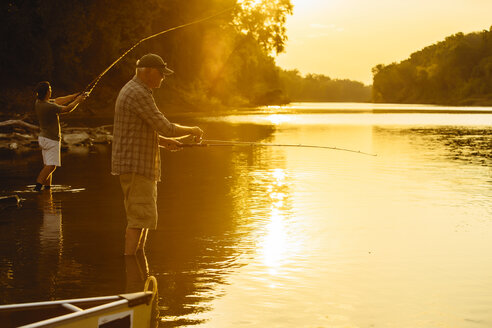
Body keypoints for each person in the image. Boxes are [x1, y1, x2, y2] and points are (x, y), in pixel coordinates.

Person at [112, 53, 203, 256]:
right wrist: (193, 130)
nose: (163, 78)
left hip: (137, 166)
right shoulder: (138, 93)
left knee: (143, 218)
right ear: (149, 72)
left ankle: (139, 271)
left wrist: (163, 142)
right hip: (137, 167)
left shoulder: (135, 90)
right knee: (138, 220)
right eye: (161, 74)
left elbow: (139, 130)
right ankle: (132, 274)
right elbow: (166, 126)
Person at [34, 82, 87, 191]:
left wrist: (75, 95)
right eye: (50, 89)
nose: (51, 90)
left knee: (47, 165)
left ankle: (47, 189)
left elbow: (58, 100)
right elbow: (67, 109)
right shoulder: (49, 106)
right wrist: (79, 101)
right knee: (51, 166)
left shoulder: (39, 102)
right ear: (47, 92)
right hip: (51, 139)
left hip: (44, 139)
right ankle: (37, 188)